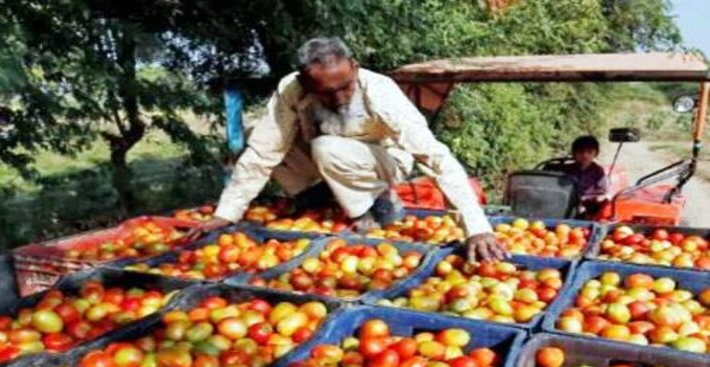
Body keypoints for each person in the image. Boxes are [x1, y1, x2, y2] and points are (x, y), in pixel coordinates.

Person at [188, 37, 508, 262]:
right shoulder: (293, 89)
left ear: (354, 67)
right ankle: (317, 197)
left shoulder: (380, 91)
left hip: (384, 163)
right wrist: (226, 213)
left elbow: (434, 157)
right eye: (326, 93)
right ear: (305, 82)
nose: (339, 98)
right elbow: (263, 151)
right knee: (263, 137)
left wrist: (476, 228)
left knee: (327, 148)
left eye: (345, 87)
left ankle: (374, 204)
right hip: (329, 159)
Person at [566, 135, 609, 217]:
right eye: (580, 152)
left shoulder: (598, 171)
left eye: (589, 152)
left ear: (596, 153)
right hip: (567, 206)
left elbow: (605, 193)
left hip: (589, 209)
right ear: (574, 153)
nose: (585, 155)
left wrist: (593, 199)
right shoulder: (567, 170)